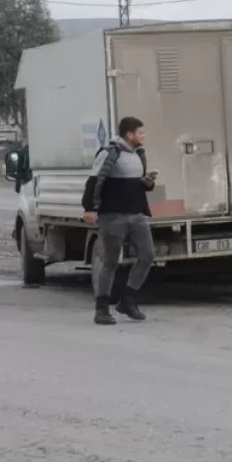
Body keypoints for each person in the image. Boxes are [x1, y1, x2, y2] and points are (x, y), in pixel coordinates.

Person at [82, 116, 157, 325]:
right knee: (110, 262)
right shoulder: (109, 153)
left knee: (147, 256)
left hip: (137, 216)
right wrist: (89, 208)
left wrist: (147, 183)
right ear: (129, 134)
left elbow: (138, 186)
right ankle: (101, 309)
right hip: (112, 216)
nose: (143, 136)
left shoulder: (138, 155)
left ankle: (128, 300)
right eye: (140, 133)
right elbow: (93, 181)